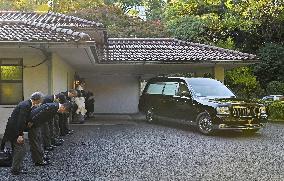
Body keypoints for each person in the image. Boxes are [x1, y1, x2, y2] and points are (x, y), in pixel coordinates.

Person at [0, 92, 44, 175]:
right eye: (40, 101)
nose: (40, 102)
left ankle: (16, 167)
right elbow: (21, 121)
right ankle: (15, 169)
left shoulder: (27, 104)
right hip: (14, 130)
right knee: (21, 149)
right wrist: (20, 135)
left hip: (12, 129)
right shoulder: (26, 105)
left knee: (16, 149)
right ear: (37, 100)